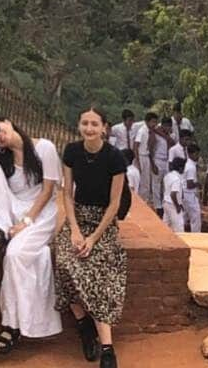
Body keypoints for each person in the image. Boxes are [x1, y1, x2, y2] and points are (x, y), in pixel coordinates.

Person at [0, 116, 62, 355]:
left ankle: (11, 325)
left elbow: (48, 191)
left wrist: (26, 221)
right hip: (13, 212)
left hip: (40, 213)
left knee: (13, 256)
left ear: (7, 122)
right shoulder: (2, 160)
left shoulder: (44, 148)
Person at [55, 105, 128, 368]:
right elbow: (67, 193)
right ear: (79, 125)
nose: (89, 128)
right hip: (78, 218)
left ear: (104, 128)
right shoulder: (72, 152)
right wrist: (74, 230)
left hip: (103, 222)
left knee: (96, 268)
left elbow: (115, 203)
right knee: (64, 261)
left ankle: (107, 347)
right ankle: (84, 325)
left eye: (94, 124)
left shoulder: (114, 157)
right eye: (85, 123)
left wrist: (94, 237)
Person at [133, 112, 160, 211]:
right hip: (141, 156)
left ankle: (143, 202)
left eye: (155, 122)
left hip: (147, 156)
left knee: (146, 183)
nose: (154, 124)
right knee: (140, 182)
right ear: (147, 121)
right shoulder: (142, 131)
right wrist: (138, 162)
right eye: (153, 122)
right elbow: (135, 146)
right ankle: (138, 204)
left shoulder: (151, 131)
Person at [162, 156, 186, 234]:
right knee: (179, 228)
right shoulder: (176, 179)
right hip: (173, 204)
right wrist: (177, 205)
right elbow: (173, 194)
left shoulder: (168, 176)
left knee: (166, 226)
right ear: (180, 168)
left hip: (166, 202)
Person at [184, 142, 202, 233]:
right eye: (196, 154)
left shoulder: (187, 164)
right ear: (190, 154)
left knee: (184, 216)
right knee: (195, 217)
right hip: (190, 194)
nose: (197, 156)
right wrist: (197, 184)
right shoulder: (191, 167)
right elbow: (189, 184)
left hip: (185, 194)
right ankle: (196, 236)